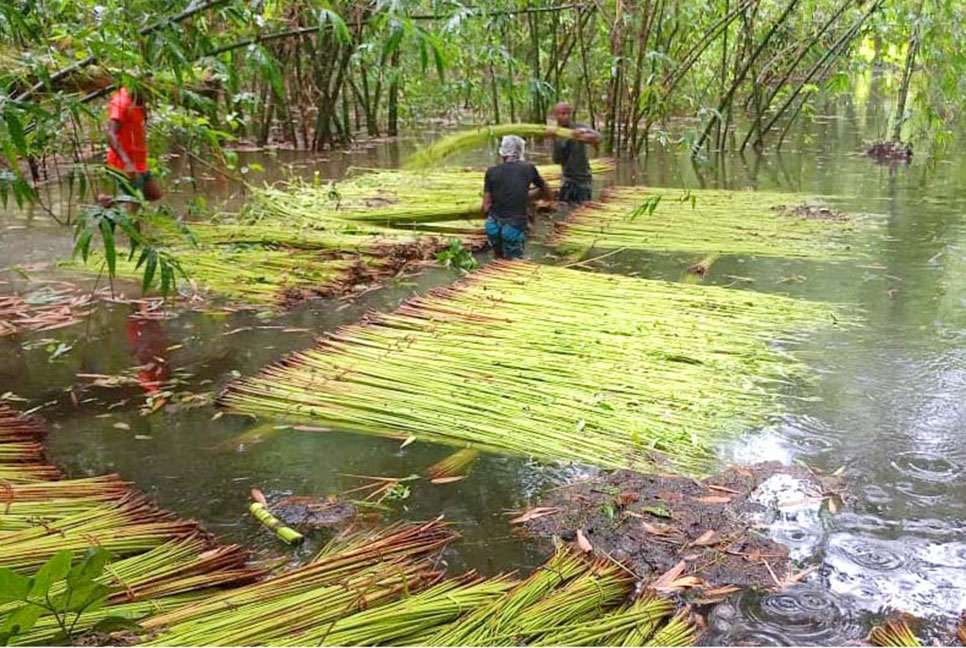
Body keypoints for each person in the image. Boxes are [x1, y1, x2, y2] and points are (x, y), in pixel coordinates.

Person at [482, 135, 551, 259]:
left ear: (502, 153)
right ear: (520, 152)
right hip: (513, 228)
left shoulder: (491, 171)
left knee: (498, 259)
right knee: (514, 264)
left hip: (493, 226)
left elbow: (486, 207)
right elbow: (545, 190)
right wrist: (536, 199)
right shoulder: (528, 168)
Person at [102, 84, 162, 208]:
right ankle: (113, 205)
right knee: (135, 209)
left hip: (139, 161)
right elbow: (110, 134)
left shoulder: (138, 100)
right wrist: (127, 162)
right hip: (125, 163)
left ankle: (109, 201)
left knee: (154, 194)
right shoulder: (121, 102)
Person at [545, 101, 601, 204]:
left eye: (568, 113)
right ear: (556, 115)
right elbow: (557, 160)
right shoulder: (555, 133)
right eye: (562, 114)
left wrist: (581, 134)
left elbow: (598, 138)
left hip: (583, 178)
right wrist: (555, 139)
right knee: (564, 207)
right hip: (567, 178)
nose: (566, 116)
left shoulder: (578, 127)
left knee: (583, 208)